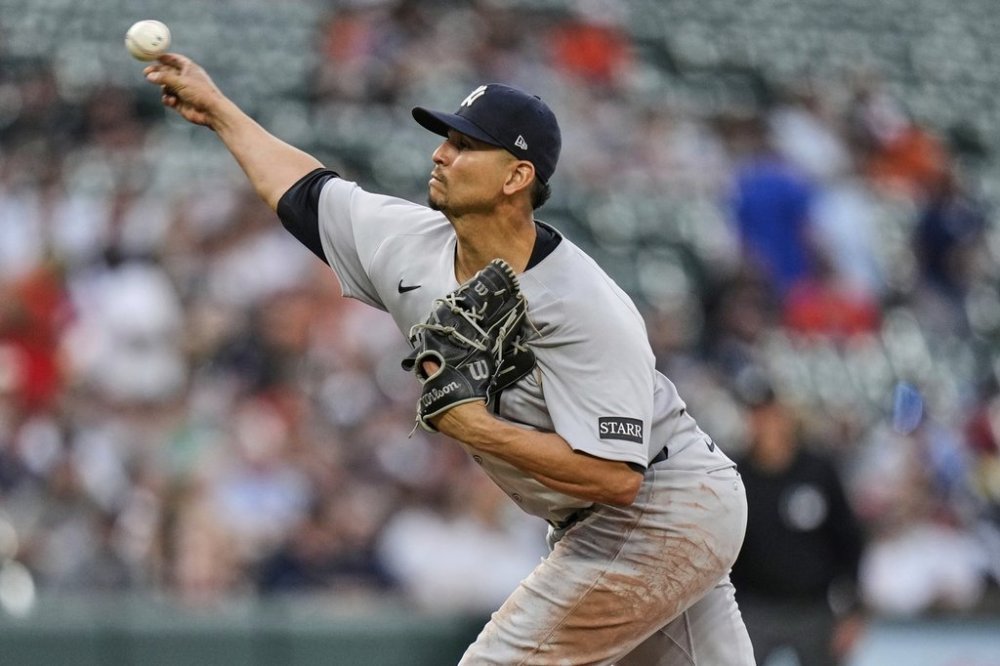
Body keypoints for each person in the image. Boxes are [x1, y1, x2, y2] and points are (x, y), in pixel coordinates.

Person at [144, 53, 754, 665]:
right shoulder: (412, 245)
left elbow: (618, 477)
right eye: (445, 139)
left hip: (665, 502)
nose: (440, 154)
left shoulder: (585, 306)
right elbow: (307, 193)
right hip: (611, 515)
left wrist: (476, 428)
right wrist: (220, 112)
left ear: (517, 177)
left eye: (464, 145)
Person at [729, 368, 866, 666]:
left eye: (771, 414)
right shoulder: (734, 475)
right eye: (756, 416)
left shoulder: (817, 471)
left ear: (786, 416)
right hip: (752, 608)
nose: (765, 424)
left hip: (814, 609)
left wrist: (853, 611)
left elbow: (849, 541)